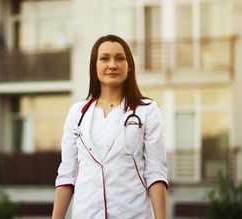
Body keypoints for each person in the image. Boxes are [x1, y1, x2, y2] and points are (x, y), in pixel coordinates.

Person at [52, 34, 168, 219]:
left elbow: (155, 173)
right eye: (104, 58)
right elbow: (67, 175)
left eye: (120, 58)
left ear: (129, 67)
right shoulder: (77, 113)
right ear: (95, 66)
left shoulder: (147, 110)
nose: (112, 65)